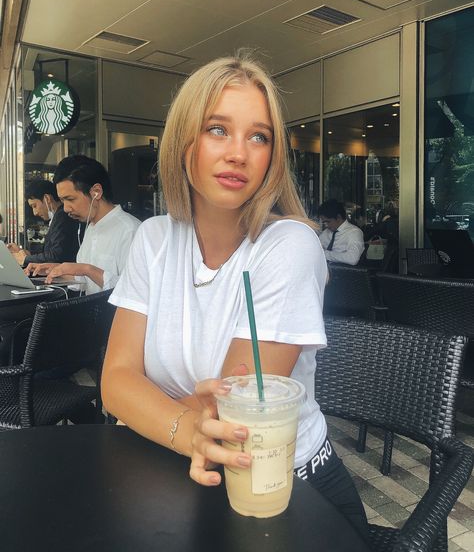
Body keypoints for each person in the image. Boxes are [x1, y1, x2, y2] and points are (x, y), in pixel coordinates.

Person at [101, 54, 369, 543]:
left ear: (273, 156)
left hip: (289, 494)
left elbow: (233, 413)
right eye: (217, 129)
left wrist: (148, 411)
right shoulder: (154, 239)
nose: (239, 153)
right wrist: (172, 419)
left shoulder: (291, 246)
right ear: (186, 142)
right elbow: (115, 380)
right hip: (180, 476)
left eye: (259, 136)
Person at [25, 155, 140, 294]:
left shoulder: (131, 231)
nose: (66, 208)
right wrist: (56, 270)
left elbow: (133, 291)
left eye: (70, 199)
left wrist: (87, 269)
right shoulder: (90, 227)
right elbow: (85, 281)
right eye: (63, 200)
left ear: (96, 192)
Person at [7, 179, 79, 266]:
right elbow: (49, 253)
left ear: (47, 199)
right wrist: (23, 253)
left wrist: (25, 259)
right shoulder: (57, 217)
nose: (35, 212)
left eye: (34, 206)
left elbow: (56, 256)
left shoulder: (63, 217)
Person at [317, 199, 365, 265]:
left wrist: (324, 254)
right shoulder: (325, 233)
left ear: (338, 217)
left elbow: (353, 258)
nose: (326, 225)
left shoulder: (354, 233)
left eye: (328, 221)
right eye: (324, 222)